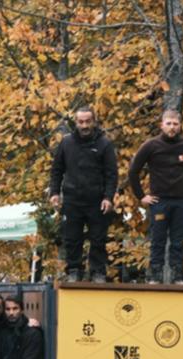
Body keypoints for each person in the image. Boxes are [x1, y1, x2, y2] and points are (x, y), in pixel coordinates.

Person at [126, 109, 183, 283]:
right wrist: (141, 196)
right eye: (168, 123)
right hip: (159, 201)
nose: (172, 127)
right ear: (161, 125)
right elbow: (133, 171)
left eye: (175, 124)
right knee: (158, 240)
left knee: (178, 242)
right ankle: (154, 277)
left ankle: (177, 276)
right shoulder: (151, 145)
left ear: (180, 126)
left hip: (181, 201)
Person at [47, 106, 118, 283]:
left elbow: (112, 174)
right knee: (72, 238)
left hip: (97, 199)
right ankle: (73, 270)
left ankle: (98, 272)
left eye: (88, 121)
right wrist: (55, 192)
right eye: (81, 122)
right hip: (72, 198)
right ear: (76, 122)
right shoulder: (66, 143)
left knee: (98, 239)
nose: (84, 125)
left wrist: (108, 197)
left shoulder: (105, 144)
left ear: (94, 121)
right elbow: (57, 170)